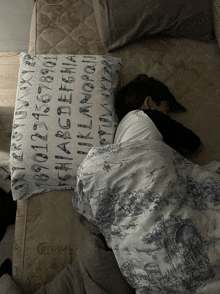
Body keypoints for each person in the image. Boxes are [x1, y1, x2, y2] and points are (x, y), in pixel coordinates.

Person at [114, 74, 203, 159]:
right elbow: (195, 144)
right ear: (149, 103)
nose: (166, 116)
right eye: (165, 111)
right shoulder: (149, 116)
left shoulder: (121, 130)